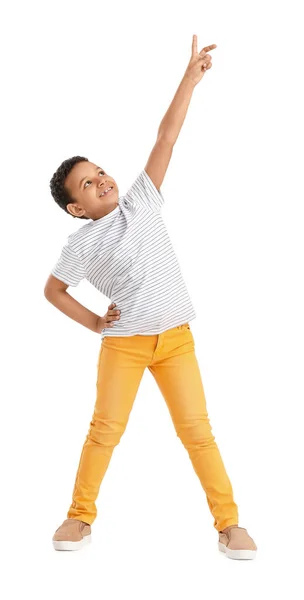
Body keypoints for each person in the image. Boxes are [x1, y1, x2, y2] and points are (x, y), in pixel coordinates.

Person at [45, 35, 257, 560]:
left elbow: (166, 138)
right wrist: (96, 323)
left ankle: (229, 524)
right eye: (87, 184)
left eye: (98, 172)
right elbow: (52, 290)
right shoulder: (81, 243)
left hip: (177, 341)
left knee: (198, 433)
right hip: (125, 345)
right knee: (105, 432)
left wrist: (189, 78)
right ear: (76, 208)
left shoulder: (141, 201)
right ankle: (79, 516)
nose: (100, 180)